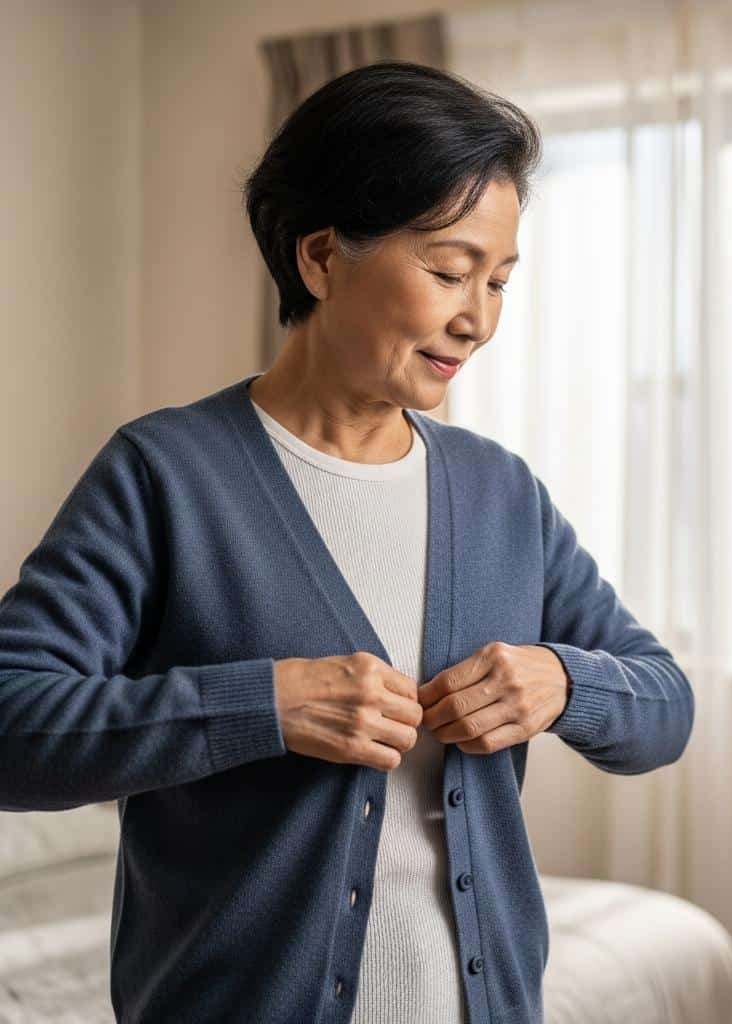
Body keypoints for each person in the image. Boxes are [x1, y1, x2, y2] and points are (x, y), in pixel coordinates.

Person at [0, 60, 695, 1024]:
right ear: (321, 258)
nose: (478, 319)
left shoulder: (499, 492)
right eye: (449, 271)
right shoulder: (166, 475)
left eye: (499, 281)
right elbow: (14, 723)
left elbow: (665, 705)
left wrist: (564, 681)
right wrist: (261, 704)